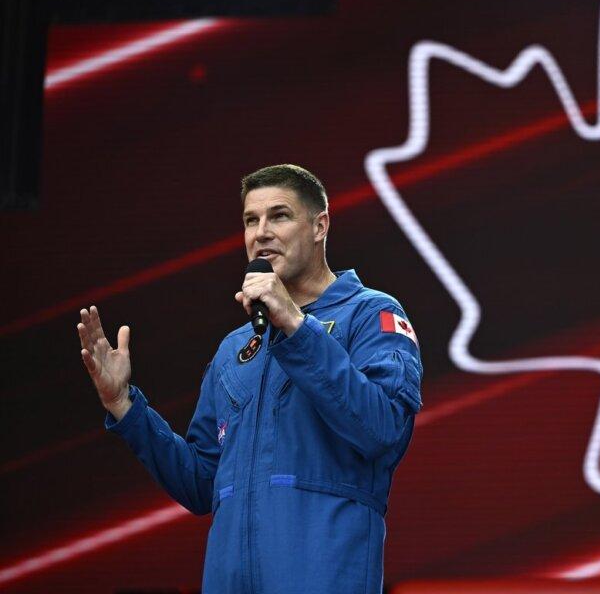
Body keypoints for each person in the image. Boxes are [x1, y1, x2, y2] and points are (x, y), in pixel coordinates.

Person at [77, 164, 423, 594]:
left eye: (279, 215)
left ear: (320, 226)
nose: (261, 232)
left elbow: (382, 430)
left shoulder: (372, 314)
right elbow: (202, 485)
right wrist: (124, 406)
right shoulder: (233, 348)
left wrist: (296, 326)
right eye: (250, 220)